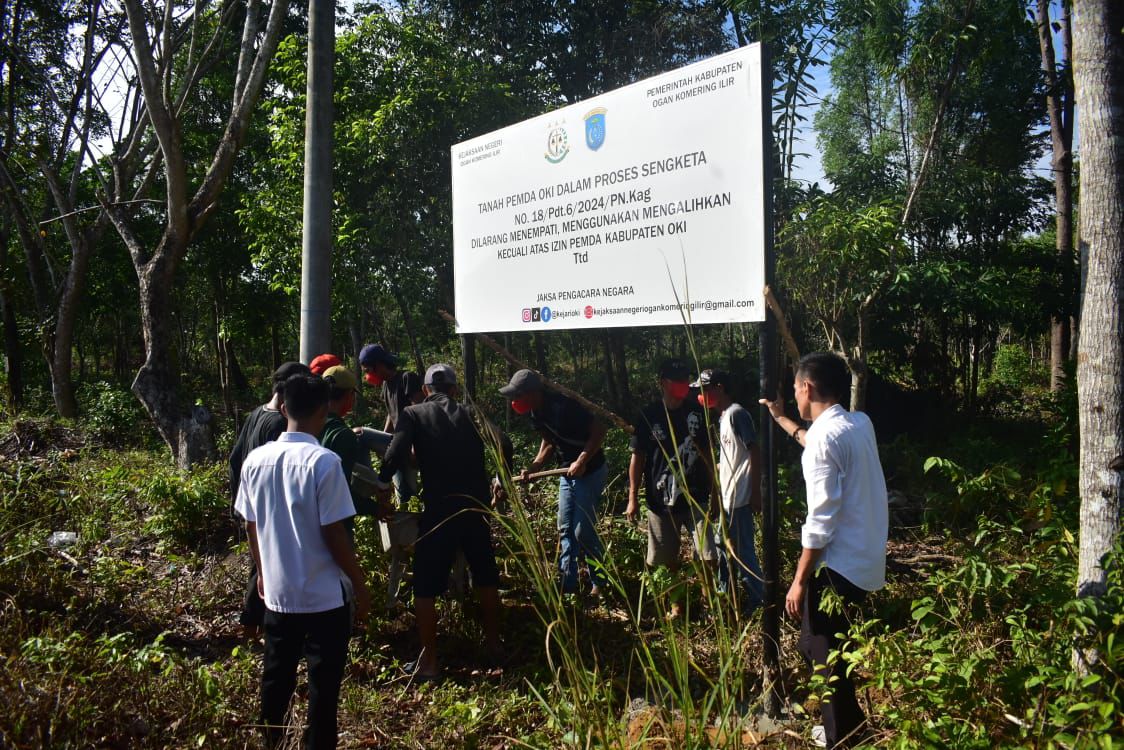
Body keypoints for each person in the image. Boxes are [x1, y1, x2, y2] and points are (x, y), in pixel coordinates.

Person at [235, 373, 371, 750]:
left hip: (278, 593)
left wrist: (262, 573)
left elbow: (251, 524)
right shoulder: (324, 463)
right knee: (323, 688)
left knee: (275, 676)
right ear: (324, 411)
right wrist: (360, 585)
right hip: (324, 596)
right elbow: (335, 535)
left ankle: (271, 742)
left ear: (283, 407)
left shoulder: (255, 461)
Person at [760, 352, 888, 749]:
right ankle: (852, 726)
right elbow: (813, 438)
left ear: (807, 387)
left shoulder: (824, 441)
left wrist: (798, 581)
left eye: (796, 387)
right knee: (832, 646)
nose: (795, 394)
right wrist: (783, 420)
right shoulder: (859, 423)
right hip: (866, 560)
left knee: (821, 652)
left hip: (838, 566)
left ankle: (840, 739)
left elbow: (820, 522)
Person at [374, 364, 502, 680]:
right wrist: (500, 478)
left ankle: (430, 661)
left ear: (427, 390)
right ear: (454, 390)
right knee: (485, 574)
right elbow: (505, 444)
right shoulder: (471, 412)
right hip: (475, 508)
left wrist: (382, 486)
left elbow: (395, 452)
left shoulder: (414, 414)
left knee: (426, 585)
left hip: (440, 511)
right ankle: (495, 645)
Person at [500, 369, 609, 597]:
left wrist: (581, 460)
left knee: (582, 531)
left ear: (532, 393)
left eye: (518, 395)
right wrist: (535, 466)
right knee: (565, 528)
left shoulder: (564, 407)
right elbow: (549, 441)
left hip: (590, 471)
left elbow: (599, 431)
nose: (514, 401)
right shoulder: (535, 414)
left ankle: (599, 583)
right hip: (566, 474)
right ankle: (567, 584)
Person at [625, 358, 718, 619]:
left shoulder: (696, 413)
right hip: (660, 500)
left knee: (707, 553)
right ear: (663, 383)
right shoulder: (649, 415)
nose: (681, 386)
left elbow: (708, 453)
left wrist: (716, 490)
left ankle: (709, 605)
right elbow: (638, 457)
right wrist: (632, 497)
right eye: (675, 381)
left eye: (684, 380)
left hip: (696, 496)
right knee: (666, 560)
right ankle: (676, 606)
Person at [229, 360, 312, 637]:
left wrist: (239, 503)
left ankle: (254, 627)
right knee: (265, 567)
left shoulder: (256, 413)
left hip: (254, 504)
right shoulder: (279, 423)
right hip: (270, 508)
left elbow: (234, 458)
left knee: (259, 563)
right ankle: (255, 627)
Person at [694, 368, 763, 615]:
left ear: (719, 388)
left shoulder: (737, 414)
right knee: (723, 549)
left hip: (740, 498)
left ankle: (760, 601)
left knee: (743, 553)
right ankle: (726, 598)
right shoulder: (723, 418)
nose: (701, 396)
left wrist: (755, 492)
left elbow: (754, 451)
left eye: (704, 390)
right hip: (728, 498)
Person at [356, 343, 423, 501]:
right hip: (397, 443)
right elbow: (391, 413)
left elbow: (421, 412)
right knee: (404, 497)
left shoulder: (407, 378)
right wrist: (385, 438)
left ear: (379, 365)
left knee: (360, 434)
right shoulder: (386, 385)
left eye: (368, 370)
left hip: (411, 443)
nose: (368, 375)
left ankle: (369, 484)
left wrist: (415, 446)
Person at [319, 365, 381, 520]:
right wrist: (375, 509)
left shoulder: (310, 425)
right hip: (335, 524)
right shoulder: (343, 436)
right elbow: (341, 493)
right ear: (349, 395)